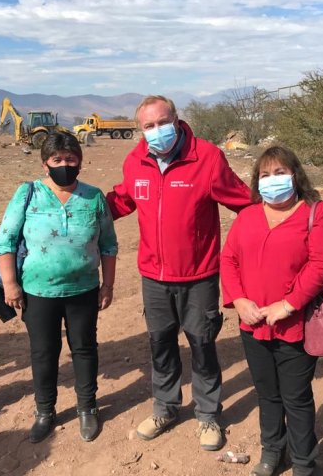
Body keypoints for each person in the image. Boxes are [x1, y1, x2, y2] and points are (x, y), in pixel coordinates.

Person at [106, 95, 252, 451]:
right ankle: (165, 407)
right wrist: (80, 212)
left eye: (162, 122)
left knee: (202, 345)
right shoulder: (135, 160)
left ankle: (207, 414)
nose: (157, 131)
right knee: (161, 346)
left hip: (199, 275)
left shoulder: (206, 157)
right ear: (140, 130)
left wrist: (283, 219)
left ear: (176, 118)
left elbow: (243, 202)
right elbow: (123, 200)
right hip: (153, 277)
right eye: (148, 126)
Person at [220, 146, 323, 476]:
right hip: (252, 323)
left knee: (295, 395)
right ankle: (272, 451)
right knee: (267, 393)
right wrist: (239, 299)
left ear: (295, 175)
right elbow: (229, 259)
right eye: (265, 175)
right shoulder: (248, 216)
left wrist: (287, 305)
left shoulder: (317, 214)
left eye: (280, 173)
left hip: (295, 325)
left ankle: (304, 464)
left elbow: (321, 267)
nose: (273, 181)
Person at [0, 132, 117, 444]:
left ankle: (87, 408)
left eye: (71, 159)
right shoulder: (28, 193)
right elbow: (6, 239)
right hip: (38, 292)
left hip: (84, 289)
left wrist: (108, 285)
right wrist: (10, 284)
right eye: (57, 160)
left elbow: (109, 245)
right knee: (44, 352)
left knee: (84, 348)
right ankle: (44, 411)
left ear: (80, 161)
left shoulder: (94, 197)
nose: (65, 165)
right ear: (44, 164)